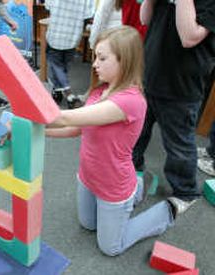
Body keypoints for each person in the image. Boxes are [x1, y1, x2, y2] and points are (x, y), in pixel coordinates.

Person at [46, 26, 174, 256]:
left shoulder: (131, 101)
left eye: (102, 58)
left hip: (113, 186)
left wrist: (25, 118)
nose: (94, 63)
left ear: (124, 61)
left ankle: (163, 210)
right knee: (88, 225)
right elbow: (75, 128)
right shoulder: (98, 93)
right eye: (96, 56)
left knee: (110, 247)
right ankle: (137, 186)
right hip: (88, 177)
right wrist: (36, 131)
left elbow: (64, 117)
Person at [132, 0, 215, 214]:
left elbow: (189, 37)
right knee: (136, 134)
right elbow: (145, 19)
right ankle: (133, 170)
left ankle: (186, 192)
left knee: (179, 146)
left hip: (181, 87)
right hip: (150, 74)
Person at [45, 0, 94, 109]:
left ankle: (68, 94)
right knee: (64, 66)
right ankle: (58, 92)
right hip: (73, 35)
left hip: (55, 33)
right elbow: (88, 16)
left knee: (57, 66)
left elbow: (48, 8)